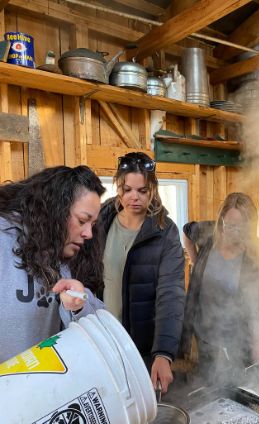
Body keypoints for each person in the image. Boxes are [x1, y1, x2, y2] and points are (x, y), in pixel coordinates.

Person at [85, 152, 184, 393]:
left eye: (142, 191)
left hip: (141, 345)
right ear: (118, 186)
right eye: (127, 189)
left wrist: (163, 352)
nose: (134, 198)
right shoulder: (100, 221)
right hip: (102, 339)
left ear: (153, 190)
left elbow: (170, 293)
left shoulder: (165, 232)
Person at [0, 166, 106, 357]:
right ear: (56, 209)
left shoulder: (72, 255)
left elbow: (101, 322)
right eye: (82, 221)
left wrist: (78, 306)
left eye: (93, 224)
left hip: (45, 382)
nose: (89, 233)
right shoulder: (4, 238)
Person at [183, 192, 259, 369]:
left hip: (236, 343)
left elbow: (258, 304)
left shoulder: (254, 254)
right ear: (221, 221)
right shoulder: (207, 234)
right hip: (203, 338)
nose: (234, 232)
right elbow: (186, 232)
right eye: (230, 225)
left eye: (241, 228)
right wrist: (196, 261)